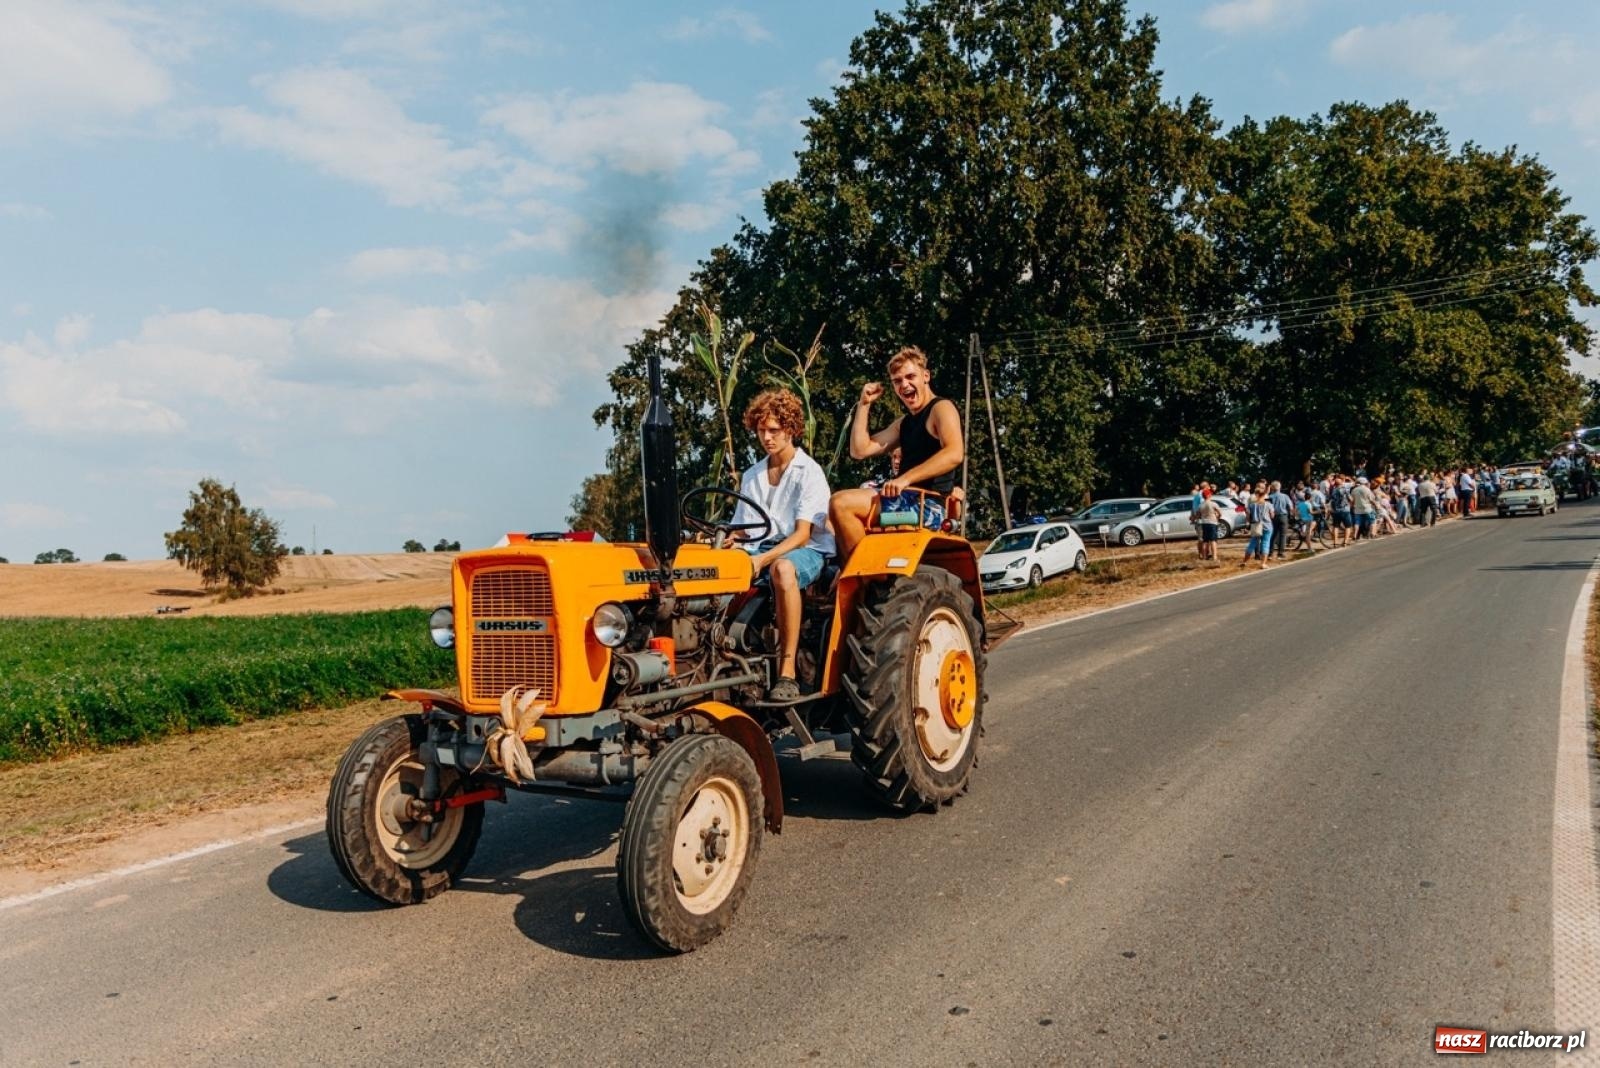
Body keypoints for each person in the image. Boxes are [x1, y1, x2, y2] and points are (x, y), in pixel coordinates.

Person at [730, 388, 835, 701]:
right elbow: (745, 529)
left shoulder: (810, 472)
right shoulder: (752, 475)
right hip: (762, 548)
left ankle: (788, 672)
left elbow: (803, 534)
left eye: (774, 430)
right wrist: (728, 539)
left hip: (808, 551)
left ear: (790, 429)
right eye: (761, 430)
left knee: (783, 569)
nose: (767, 437)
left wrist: (760, 561)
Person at [829, 346, 965, 562]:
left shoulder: (941, 408)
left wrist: (905, 479)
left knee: (841, 503)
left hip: (927, 507)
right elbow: (859, 450)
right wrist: (864, 405)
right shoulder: (904, 424)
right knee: (828, 518)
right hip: (905, 499)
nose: (904, 385)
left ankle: (866, 576)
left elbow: (954, 453)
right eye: (897, 381)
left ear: (926, 376)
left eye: (910, 377)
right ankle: (857, 573)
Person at [1196, 490, 1222, 562]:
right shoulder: (1213, 504)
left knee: (1205, 541)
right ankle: (1214, 557)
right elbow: (1220, 513)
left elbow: (1197, 515)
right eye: (1210, 494)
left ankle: (1204, 557)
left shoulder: (1200, 505)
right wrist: (1217, 517)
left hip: (1204, 523)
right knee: (1213, 540)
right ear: (1208, 495)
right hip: (1212, 523)